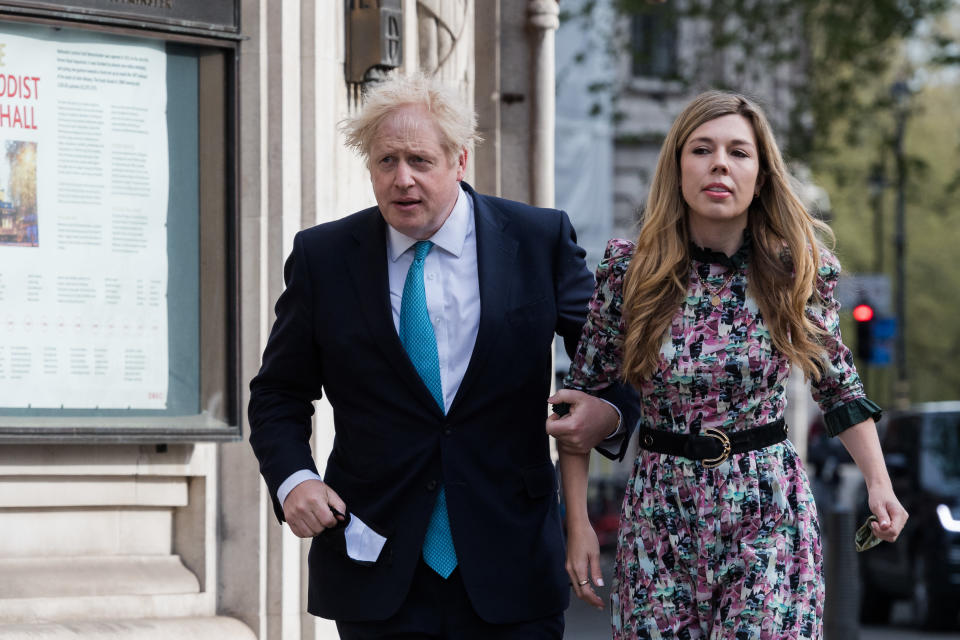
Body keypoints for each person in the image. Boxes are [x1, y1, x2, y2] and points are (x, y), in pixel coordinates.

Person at [247, 72, 623, 639]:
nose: (402, 180)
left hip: (511, 561)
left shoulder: (538, 240)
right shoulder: (323, 258)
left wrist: (610, 415)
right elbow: (278, 392)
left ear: (459, 160)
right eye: (385, 161)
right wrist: (293, 479)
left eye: (420, 161)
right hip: (375, 564)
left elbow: (614, 361)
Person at [549, 90, 909, 639]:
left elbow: (838, 385)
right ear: (678, 167)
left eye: (739, 152)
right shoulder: (629, 272)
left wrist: (879, 485)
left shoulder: (797, 270)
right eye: (702, 149)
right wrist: (577, 525)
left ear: (761, 176)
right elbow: (580, 402)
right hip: (659, 514)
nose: (720, 163)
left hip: (768, 510)